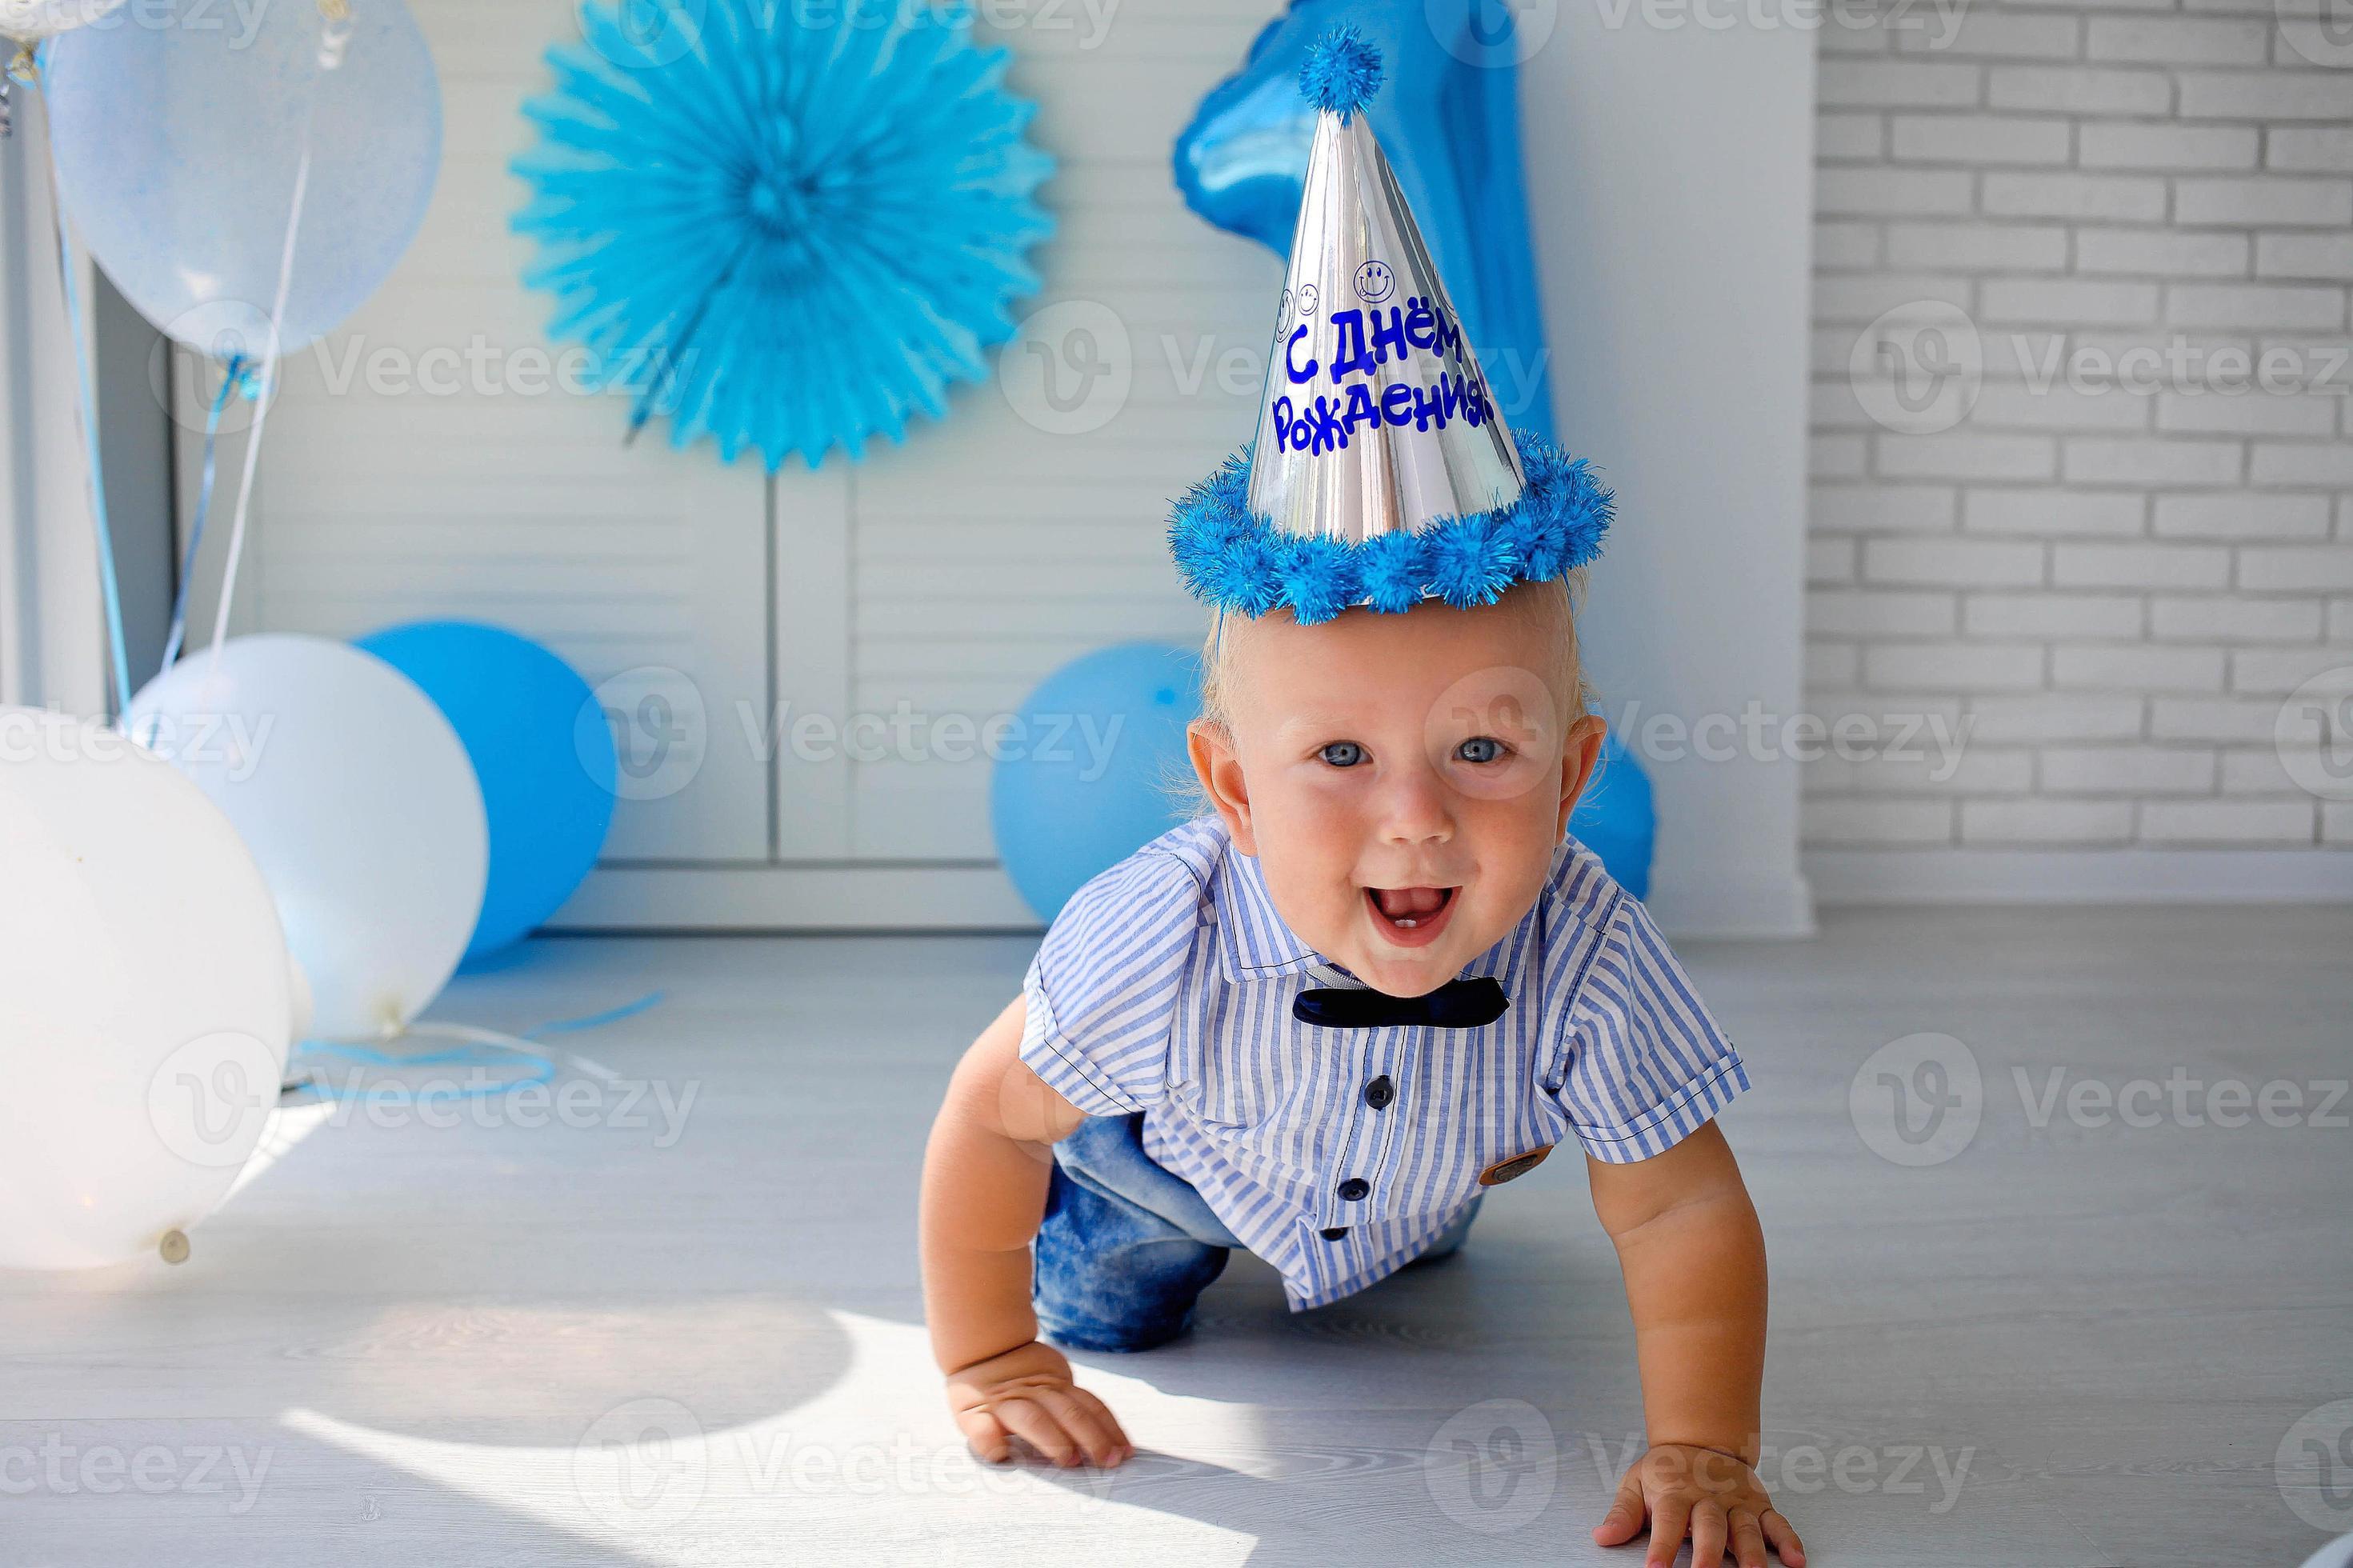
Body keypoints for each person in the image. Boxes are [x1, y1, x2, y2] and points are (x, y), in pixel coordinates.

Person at [919, 30, 1804, 1568]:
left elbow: (1676, 1213)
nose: (1414, 819)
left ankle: (1415, 1205)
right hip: (1170, 1168)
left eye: (1481, 751)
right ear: (1230, 791)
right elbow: (988, 1114)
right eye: (1336, 758)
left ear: (1575, 775)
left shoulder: (1586, 942)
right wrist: (987, 1353)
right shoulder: (1156, 937)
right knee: (1118, 1305)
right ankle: (1116, 1275)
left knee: (1432, 1226)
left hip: (1420, 1173)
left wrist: (1701, 1448)